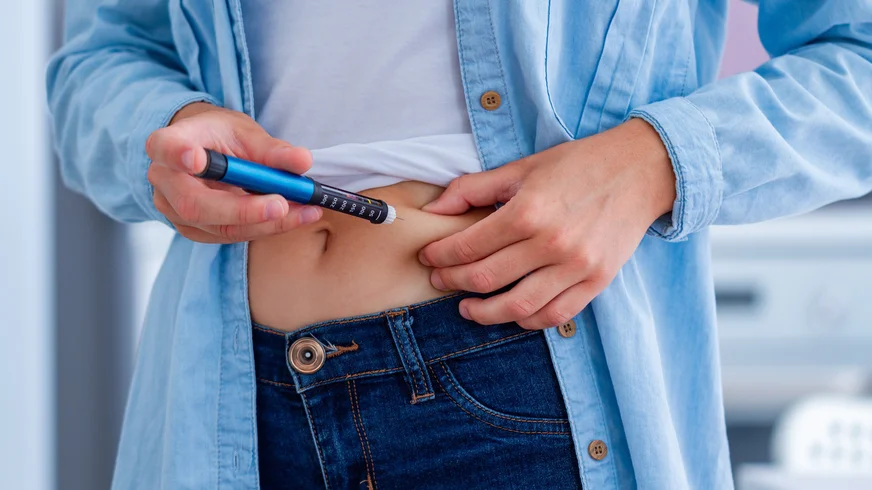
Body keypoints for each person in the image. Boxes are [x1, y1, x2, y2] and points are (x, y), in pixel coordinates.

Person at [46, 0, 872, 489]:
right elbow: (101, 59)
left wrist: (656, 161)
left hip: (518, 375)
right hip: (227, 408)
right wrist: (166, 135)